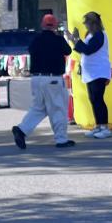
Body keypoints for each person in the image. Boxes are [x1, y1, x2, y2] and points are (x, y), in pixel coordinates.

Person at [11, 14, 74, 149]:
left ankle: (21, 130)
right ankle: (61, 140)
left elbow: (31, 50)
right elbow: (68, 51)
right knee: (58, 109)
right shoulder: (58, 39)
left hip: (36, 79)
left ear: (42, 25)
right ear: (55, 26)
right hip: (53, 79)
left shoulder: (36, 40)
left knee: (39, 108)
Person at [66, 10, 112, 136]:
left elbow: (88, 50)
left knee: (98, 99)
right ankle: (98, 125)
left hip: (99, 72)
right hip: (91, 72)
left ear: (93, 23)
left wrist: (76, 40)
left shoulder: (100, 35)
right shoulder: (90, 35)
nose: (85, 25)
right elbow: (83, 49)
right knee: (93, 99)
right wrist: (74, 40)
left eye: (86, 23)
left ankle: (105, 127)